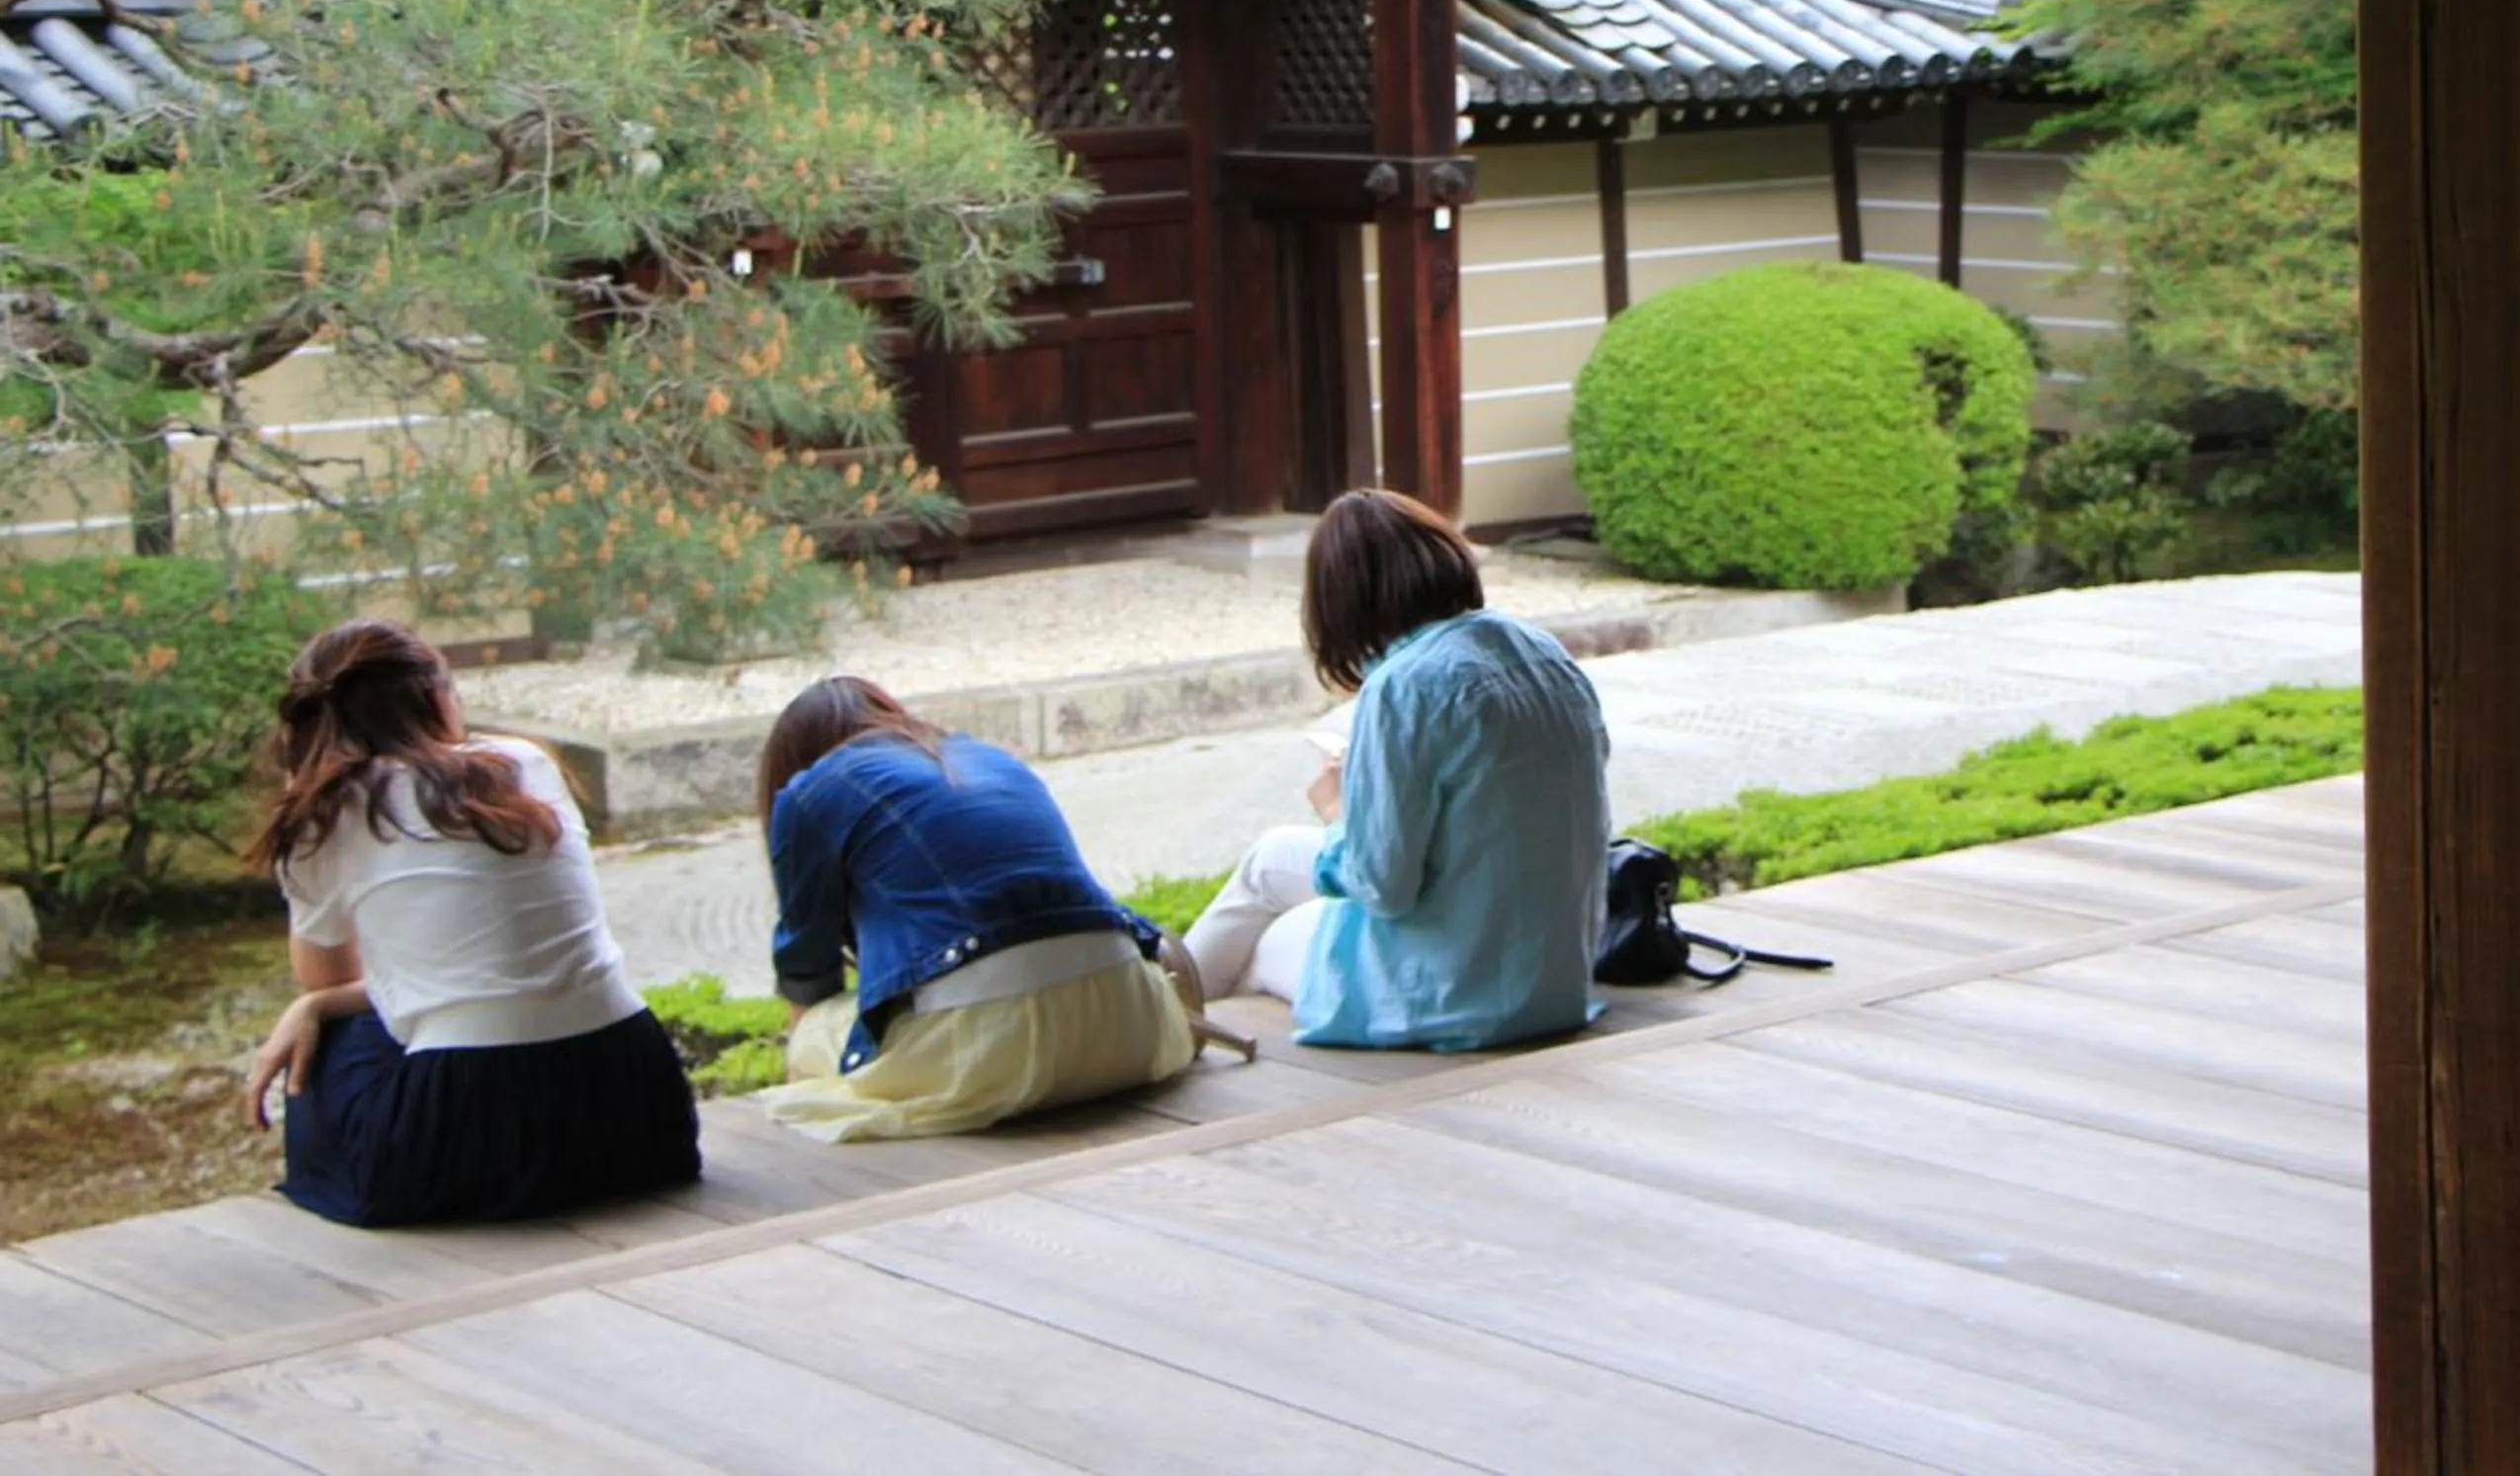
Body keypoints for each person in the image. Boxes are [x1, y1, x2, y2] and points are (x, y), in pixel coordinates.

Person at [242, 621, 699, 1227]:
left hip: (468, 1132)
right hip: (637, 1111)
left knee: (334, 1041)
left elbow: (327, 981)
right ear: (437, 697)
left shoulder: (324, 814)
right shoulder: (524, 763)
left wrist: (315, 1007)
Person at [1182, 488, 1611, 1051]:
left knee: (1263, 946)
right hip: (1556, 983)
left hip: (1458, 995)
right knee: (1271, 857)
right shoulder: (1540, 650)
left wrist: (1339, 808)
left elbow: (1383, 884)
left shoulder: (1404, 686)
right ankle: (1168, 1011)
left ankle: (1161, 1021)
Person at [754, 676, 1196, 1141]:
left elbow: (807, 971)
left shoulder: (807, 793)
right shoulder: (986, 756)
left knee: (814, 1037)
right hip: (1136, 1028)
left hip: (988, 1054)